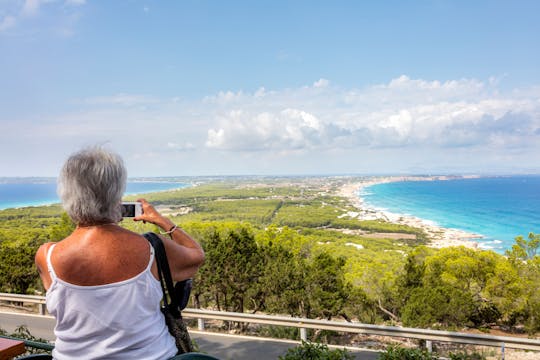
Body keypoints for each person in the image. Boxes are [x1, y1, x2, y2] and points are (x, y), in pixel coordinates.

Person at [34, 147, 205, 360]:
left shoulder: (46, 256)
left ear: (67, 194)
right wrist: (163, 221)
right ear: (117, 195)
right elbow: (196, 256)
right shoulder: (152, 248)